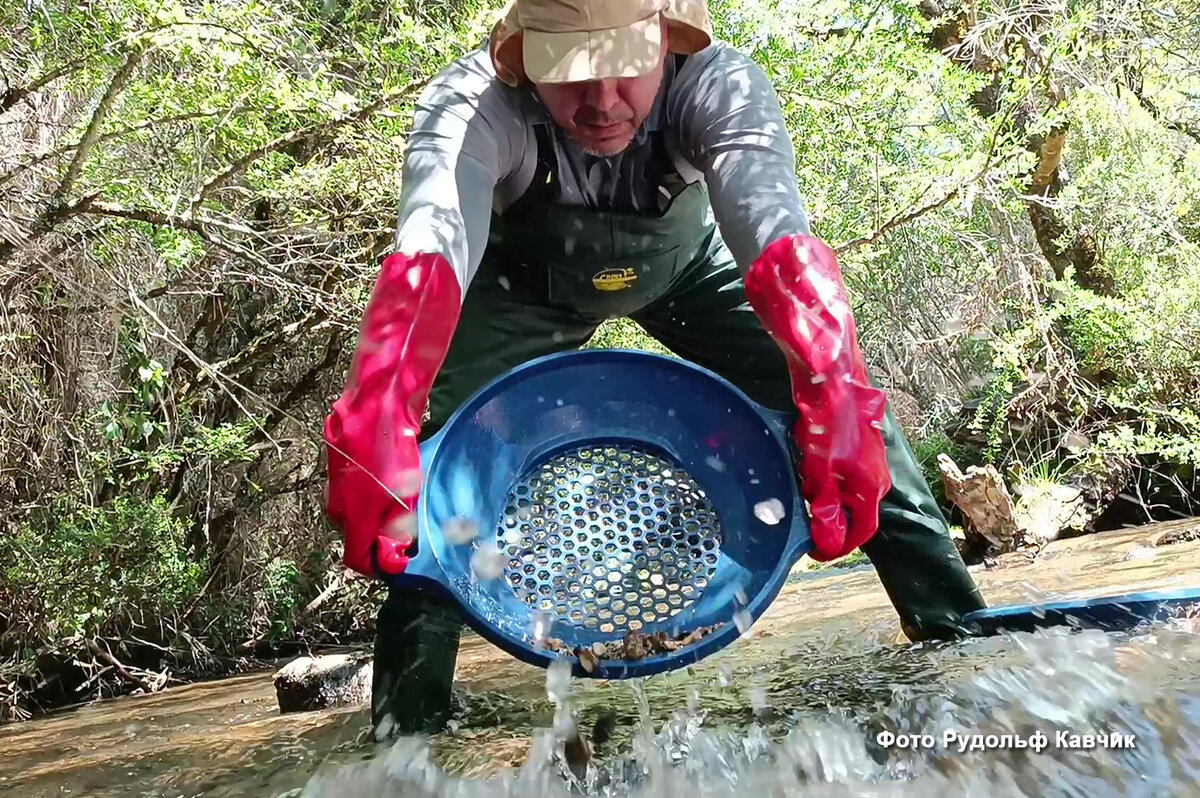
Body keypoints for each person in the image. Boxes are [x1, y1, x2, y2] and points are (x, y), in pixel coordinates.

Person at [322, 0, 986, 739]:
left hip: (687, 274)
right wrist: (381, 402)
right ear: (523, 59)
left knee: (853, 424)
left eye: (626, 70)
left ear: (668, 43)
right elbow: (431, 247)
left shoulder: (720, 85)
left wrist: (829, 379)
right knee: (428, 477)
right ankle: (404, 745)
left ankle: (960, 645)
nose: (602, 104)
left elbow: (776, 240)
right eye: (570, 74)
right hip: (520, 289)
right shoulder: (471, 105)